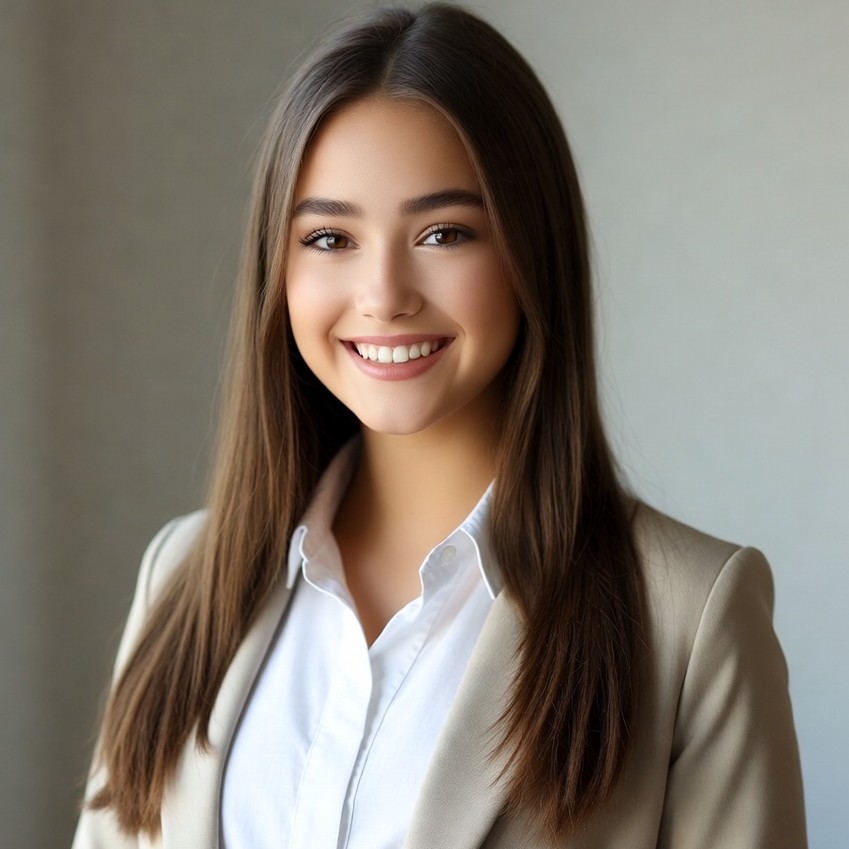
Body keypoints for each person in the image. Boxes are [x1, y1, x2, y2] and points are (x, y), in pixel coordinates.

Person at [72, 3, 807, 847]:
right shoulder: (180, 574)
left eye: (443, 232)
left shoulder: (688, 616)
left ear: (533, 250)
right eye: (328, 237)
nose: (383, 292)